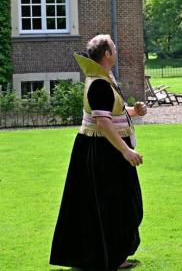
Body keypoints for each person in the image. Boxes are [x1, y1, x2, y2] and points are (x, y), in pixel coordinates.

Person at [50, 34, 146, 270]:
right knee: (114, 203)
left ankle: (113, 254)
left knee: (116, 203)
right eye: (113, 46)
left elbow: (111, 114)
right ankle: (112, 256)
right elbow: (103, 123)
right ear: (107, 54)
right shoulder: (99, 84)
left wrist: (134, 111)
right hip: (104, 152)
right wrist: (126, 152)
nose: (116, 49)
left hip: (103, 149)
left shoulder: (104, 80)